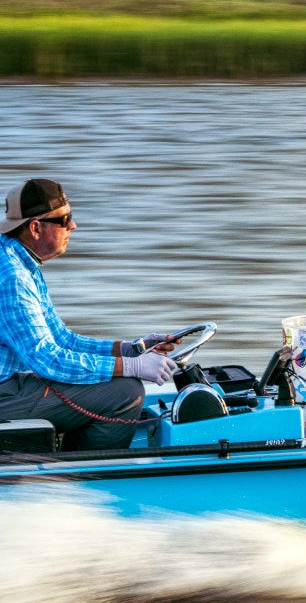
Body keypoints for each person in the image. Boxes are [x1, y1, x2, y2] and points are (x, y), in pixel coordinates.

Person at [0, 179, 179, 451]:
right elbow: (47, 359)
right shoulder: (13, 277)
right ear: (36, 227)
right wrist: (130, 368)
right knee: (126, 393)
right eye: (65, 219)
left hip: (10, 385)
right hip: (5, 395)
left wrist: (131, 349)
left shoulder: (19, 261)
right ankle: (82, 477)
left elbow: (62, 339)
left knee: (119, 380)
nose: (73, 226)